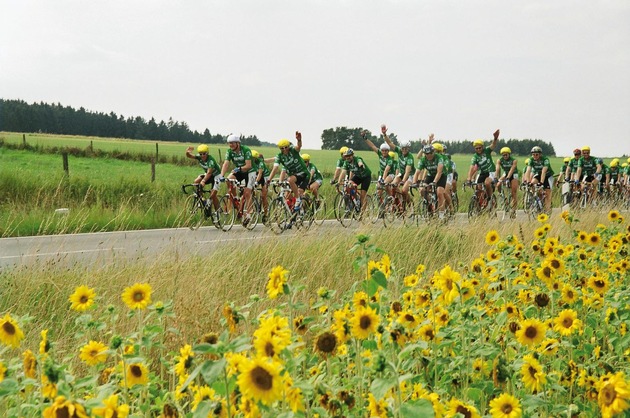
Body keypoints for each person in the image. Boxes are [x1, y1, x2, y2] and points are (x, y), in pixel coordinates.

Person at [267, 131, 309, 211]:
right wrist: (269, 180)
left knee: (293, 183)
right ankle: (292, 213)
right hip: (294, 176)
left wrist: (299, 140)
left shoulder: (293, 150)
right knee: (287, 193)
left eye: (286, 147)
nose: (285, 149)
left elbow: (298, 147)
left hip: (303, 173)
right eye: (282, 148)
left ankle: (298, 199)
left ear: (288, 146)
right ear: (280, 149)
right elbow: (275, 168)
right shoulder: (279, 156)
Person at [219, 134, 255, 224]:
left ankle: (249, 214)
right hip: (239, 170)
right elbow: (226, 164)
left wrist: (239, 168)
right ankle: (235, 198)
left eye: (232, 143)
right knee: (228, 180)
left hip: (250, 171)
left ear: (238, 143)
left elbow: (248, 165)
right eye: (229, 143)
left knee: (247, 192)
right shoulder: (229, 151)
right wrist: (221, 175)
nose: (231, 145)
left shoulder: (245, 150)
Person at [382, 124, 415, 205]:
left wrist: (403, 181)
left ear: (408, 148)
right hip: (402, 173)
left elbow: (407, 171)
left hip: (410, 175)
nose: (404, 150)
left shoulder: (410, 157)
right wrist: (385, 134)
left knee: (404, 190)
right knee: (393, 185)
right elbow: (389, 143)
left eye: (406, 148)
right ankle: (399, 201)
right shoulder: (399, 151)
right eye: (402, 148)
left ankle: (410, 205)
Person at [185, 144, 221, 218]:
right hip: (208, 175)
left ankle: (218, 211)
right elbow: (190, 156)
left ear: (207, 153)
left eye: (204, 154)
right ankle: (203, 200)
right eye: (200, 154)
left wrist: (204, 181)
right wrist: (187, 152)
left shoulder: (211, 160)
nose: (202, 156)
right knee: (196, 182)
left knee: (213, 194)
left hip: (216, 175)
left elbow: (209, 173)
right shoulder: (199, 157)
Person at [413, 144, 447, 219]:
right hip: (430, 175)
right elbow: (417, 172)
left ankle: (442, 215)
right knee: (422, 190)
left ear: (433, 152)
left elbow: (439, 172)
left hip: (441, 176)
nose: (429, 155)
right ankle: (430, 202)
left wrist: (434, 182)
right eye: (426, 154)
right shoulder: (423, 159)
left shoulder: (439, 157)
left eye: (430, 153)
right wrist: (414, 183)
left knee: (439, 192)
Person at [465, 129, 500, 200]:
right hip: (482, 173)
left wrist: (495, 138)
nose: (478, 149)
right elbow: (472, 167)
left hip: (491, 171)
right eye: (476, 148)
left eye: (480, 148)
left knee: (487, 183)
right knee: (477, 188)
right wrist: (469, 178)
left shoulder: (487, 150)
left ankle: (489, 198)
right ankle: (480, 203)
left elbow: (493, 145)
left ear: (482, 147)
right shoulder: (475, 156)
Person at [362, 130, 394, 199]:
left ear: (388, 151)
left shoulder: (390, 159)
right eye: (383, 150)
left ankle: (391, 197)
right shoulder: (380, 154)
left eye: (386, 151)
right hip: (382, 174)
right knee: (379, 192)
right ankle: (382, 207)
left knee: (385, 184)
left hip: (390, 174)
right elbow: (372, 146)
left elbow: (386, 170)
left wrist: (383, 179)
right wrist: (365, 138)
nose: (384, 152)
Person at [339, 148, 372, 212]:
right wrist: (338, 182)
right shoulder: (346, 162)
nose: (348, 157)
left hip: (366, 177)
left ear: (353, 155)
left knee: (363, 195)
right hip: (358, 176)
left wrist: (361, 165)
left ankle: (363, 213)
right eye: (346, 156)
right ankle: (355, 201)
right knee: (348, 186)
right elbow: (343, 172)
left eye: (349, 156)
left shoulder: (357, 159)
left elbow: (360, 162)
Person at [523, 146, 554, 213]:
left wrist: (541, 183)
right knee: (532, 183)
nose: (535, 156)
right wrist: (528, 182)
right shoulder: (531, 159)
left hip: (547, 176)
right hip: (539, 174)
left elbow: (544, 171)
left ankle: (547, 211)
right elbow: (528, 171)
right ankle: (538, 199)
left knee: (548, 195)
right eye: (533, 154)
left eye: (536, 154)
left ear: (540, 154)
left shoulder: (545, 159)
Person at [494, 146, 519, 217]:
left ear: (509, 154)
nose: (505, 156)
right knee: (498, 185)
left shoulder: (514, 160)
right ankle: (504, 199)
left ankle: (514, 210)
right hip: (506, 173)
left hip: (513, 174)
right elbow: (498, 168)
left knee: (513, 191)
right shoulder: (499, 160)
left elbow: (512, 169)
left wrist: (508, 178)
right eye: (503, 155)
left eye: (506, 154)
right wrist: (496, 176)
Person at [252, 150, 270, 222]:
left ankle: (266, 214)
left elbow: (260, 174)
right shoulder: (249, 161)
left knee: (263, 196)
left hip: (265, 176)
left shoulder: (260, 162)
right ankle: (254, 201)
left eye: (253, 158)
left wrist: (256, 182)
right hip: (257, 175)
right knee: (250, 189)